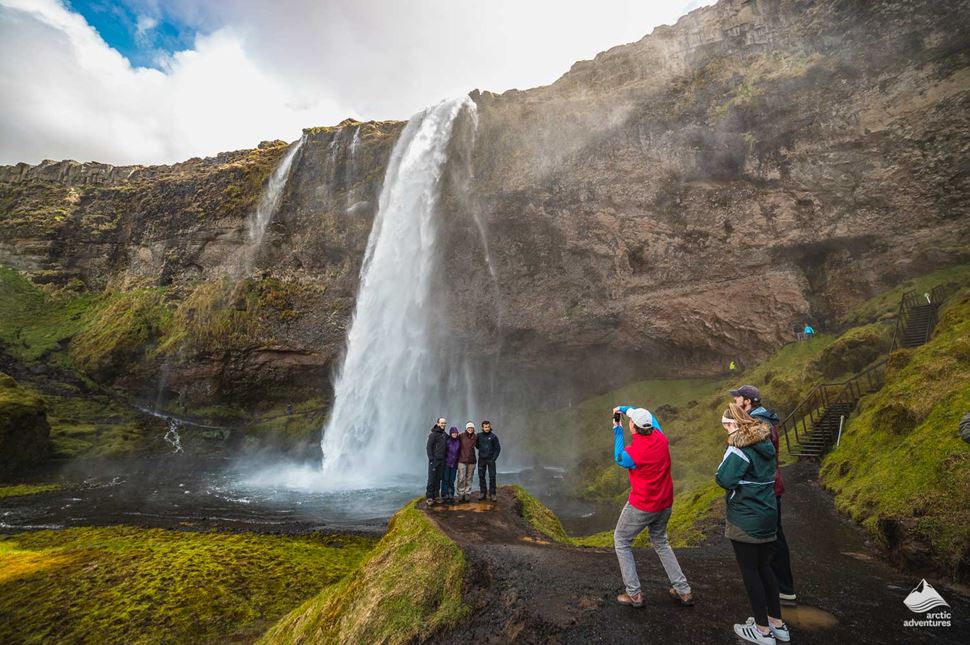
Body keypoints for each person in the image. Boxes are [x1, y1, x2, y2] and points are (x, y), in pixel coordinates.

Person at [717, 403, 790, 644]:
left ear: (735, 424)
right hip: (767, 513)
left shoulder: (739, 448)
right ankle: (776, 623)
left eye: (727, 425)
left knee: (750, 572)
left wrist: (729, 454)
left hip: (747, 517)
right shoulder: (764, 443)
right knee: (765, 568)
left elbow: (724, 479)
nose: (725, 430)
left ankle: (761, 631)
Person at [611, 405, 693, 608]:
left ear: (634, 428)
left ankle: (634, 594)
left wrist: (617, 430)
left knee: (621, 540)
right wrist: (625, 408)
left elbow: (619, 457)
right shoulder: (661, 437)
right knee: (660, 541)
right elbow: (652, 417)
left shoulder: (634, 453)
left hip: (643, 504)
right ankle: (683, 591)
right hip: (665, 503)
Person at [731, 384, 797, 605]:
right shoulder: (762, 421)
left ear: (748, 402)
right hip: (769, 486)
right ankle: (780, 588)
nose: (735, 402)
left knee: (773, 539)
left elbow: (761, 454)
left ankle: (782, 590)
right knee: (773, 538)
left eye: (738, 398)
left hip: (767, 488)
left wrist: (734, 437)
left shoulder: (760, 424)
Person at [476, 420, 501, 502]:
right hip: (481, 459)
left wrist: (493, 459)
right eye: (485, 427)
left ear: (490, 427)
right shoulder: (479, 436)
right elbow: (477, 445)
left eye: (488, 427)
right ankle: (483, 492)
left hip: (491, 460)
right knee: (481, 476)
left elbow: (498, 449)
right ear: (482, 427)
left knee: (492, 476)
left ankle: (492, 493)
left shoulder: (493, 437)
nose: (487, 428)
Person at [425, 417, 448, 505]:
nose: (443, 424)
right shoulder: (433, 435)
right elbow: (428, 447)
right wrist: (431, 459)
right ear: (438, 423)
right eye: (441, 423)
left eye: (444, 423)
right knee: (431, 478)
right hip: (434, 460)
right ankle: (430, 497)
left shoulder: (445, 435)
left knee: (438, 478)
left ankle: (436, 496)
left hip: (442, 460)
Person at [457, 422, 478, 502]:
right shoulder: (461, 436)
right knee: (461, 477)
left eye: (472, 428)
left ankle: (467, 493)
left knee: (469, 477)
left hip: (472, 460)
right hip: (461, 460)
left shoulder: (476, 437)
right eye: (469, 428)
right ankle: (461, 493)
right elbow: (454, 441)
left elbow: (479, 445)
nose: (470, 429)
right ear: (466, 428)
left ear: (473, 429)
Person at [441, 426, 461, 503]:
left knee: (452, 480)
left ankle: (451, 495)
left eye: (456, 433)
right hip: (447, 463)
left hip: (454, 464)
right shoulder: (447, 441)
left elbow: (459, 453)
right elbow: (444, 452)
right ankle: (444, 495)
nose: (454, 434)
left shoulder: (459, 442)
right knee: (445, 480)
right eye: (453, 433)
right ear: (450, 434)